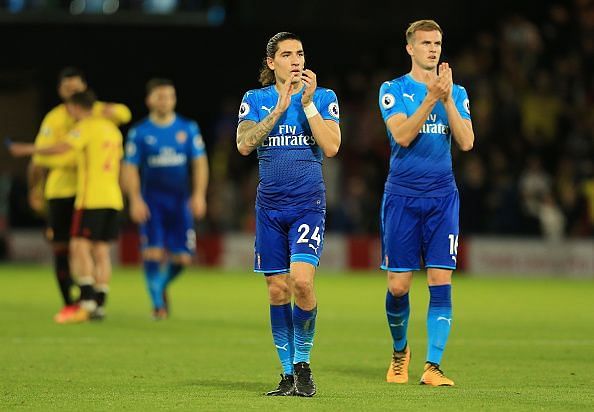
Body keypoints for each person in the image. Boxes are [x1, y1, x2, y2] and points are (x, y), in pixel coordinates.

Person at [236, 32, 341, 397]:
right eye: (287, 54)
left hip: (307, 204)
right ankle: (286, 375)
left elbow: (331, 146)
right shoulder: (256, 99)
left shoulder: (324, 97)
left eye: (300, 53)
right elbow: (244, 144)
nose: (296, 60)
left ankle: (303, 364)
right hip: (270, 208)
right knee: (277, 289)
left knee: (302, 282)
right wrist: (279, 111)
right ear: (271, 63)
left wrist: (307, 105)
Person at [378, 20, 474, 386]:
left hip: (441, 197)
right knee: (398, 286)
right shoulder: (393, 89)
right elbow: (401, 135)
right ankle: (400, 352)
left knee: (439, 279)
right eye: (426, 43)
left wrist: (447, 98)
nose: (433, 49)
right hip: (402, 197)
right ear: (410, 49)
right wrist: (432, 97)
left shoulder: (458, 92)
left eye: (437, 43)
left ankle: (433, 366)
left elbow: (466, 141)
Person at [9, 67, 131, 323]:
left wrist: (26, 150)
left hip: (89, 198)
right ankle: (97, 303)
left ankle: (85, 302)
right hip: (111, 197)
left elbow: (60, 149)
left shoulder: (86, 126)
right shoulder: (112, 129)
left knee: (76, 246)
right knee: (98, 251)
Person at [122, 78, 208, 320]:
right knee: (152, 253)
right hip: (152, 201)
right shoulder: (140, 132)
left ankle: (159, 285)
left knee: (183, 258)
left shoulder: (187, 128)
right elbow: (130, 168)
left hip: (180, 200)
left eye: (169, 96)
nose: (165, 101)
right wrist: (135, 199)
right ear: (150, 100)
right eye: (160, 96)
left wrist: (199, 195)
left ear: (174, 99)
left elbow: (200, 163)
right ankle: (158, 304)